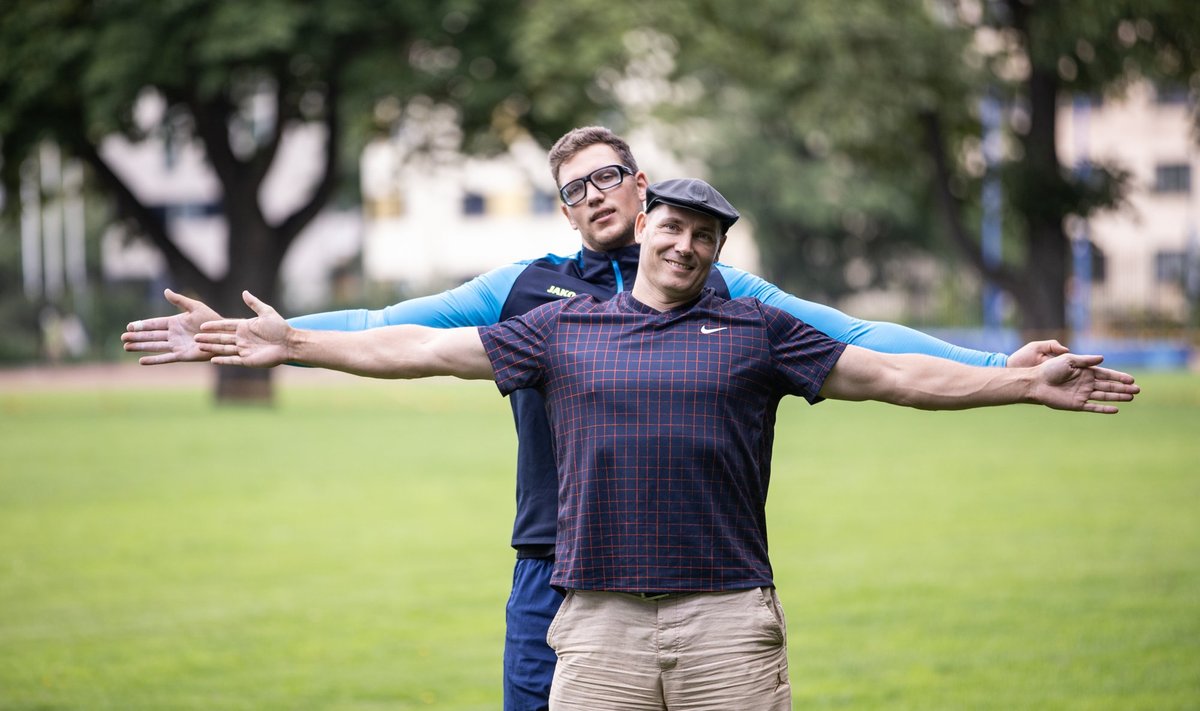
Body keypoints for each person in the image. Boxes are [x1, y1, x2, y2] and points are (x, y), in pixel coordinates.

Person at [123, 127, 1069, 710]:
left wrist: (998, 366)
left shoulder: (718, 282)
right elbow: (392, 334)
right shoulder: (531, 295)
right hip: (557, 565)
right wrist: (275, 338)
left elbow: (858, 340)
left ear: (642, 183)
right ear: (565, 209)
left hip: (700, 577)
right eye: (573, 188)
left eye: (607, 175)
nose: (593, 196)